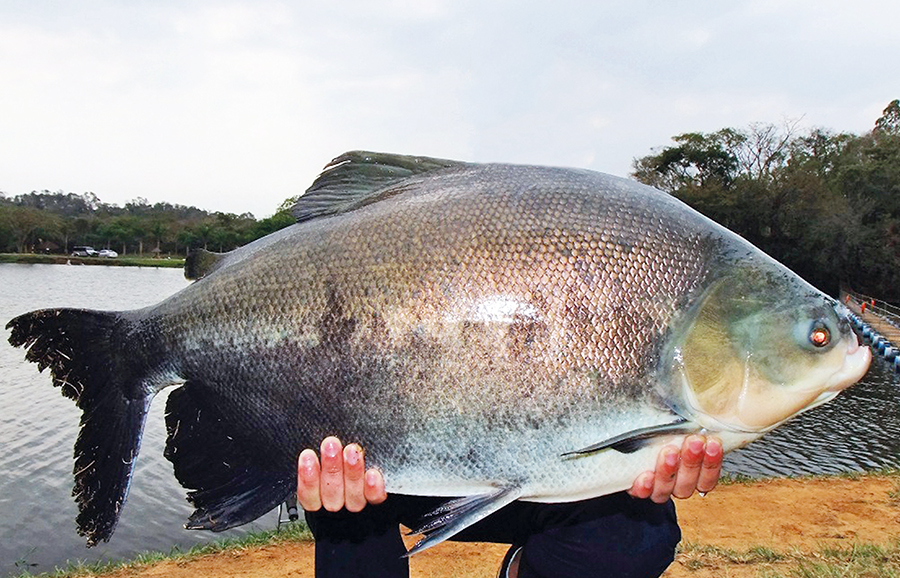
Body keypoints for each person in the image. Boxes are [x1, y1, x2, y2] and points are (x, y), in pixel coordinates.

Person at [297, 435, 723, 578]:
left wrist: (669, 445)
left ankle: (528, 569)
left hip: (537, 470)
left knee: (638, 531)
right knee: (343, 508)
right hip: (380, 472)